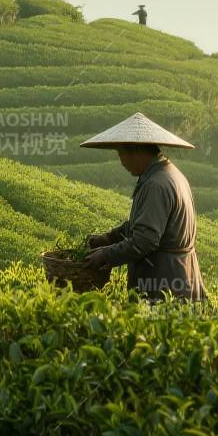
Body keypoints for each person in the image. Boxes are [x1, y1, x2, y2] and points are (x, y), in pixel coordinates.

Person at [81, 112, 205, 302]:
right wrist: (109, 238)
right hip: (178, 274)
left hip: (164, 283)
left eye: (121, 154)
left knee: (159, 330)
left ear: (136, 152)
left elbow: (145, 239)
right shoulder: (168, 174)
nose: (121, 162)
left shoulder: (156, 184)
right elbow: (144, 224)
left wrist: (106, 255)